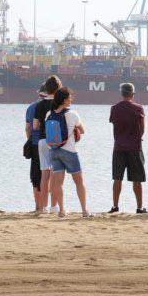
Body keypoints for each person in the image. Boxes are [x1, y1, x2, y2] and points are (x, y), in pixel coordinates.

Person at [42, 86, 88, 218]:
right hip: (69, 151)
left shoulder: (49, 114)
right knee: (79, 181)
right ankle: (85, 210)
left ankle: (62, 210)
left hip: (54, 151)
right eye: (70, 97)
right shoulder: (72, 114)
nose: (71, 99)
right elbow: (82, 130)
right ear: (64, 100)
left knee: (58, 182)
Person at [107, 83, 148, 214]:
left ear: (122, 93)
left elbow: (115, 124)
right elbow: (142, 129)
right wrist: (136, 137)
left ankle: (115, 206)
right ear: (132, 94)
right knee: (137, 179)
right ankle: (139, 207)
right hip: (135, 147)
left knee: (117, 178)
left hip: (119, 146)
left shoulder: (114, 108)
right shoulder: (139, 108)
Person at [27, 76, 60, 215]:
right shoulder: (59, 104)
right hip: (56, 142)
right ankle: (54, 206)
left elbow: (34, 126)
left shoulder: (38, 105)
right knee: (55, 174)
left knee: (43, 175)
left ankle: (42, 207)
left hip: (41, 141)